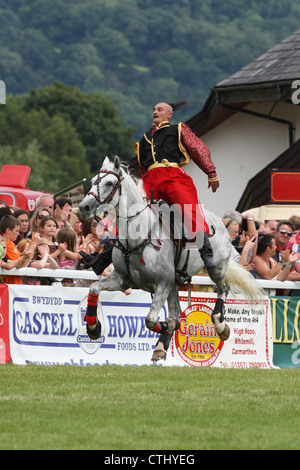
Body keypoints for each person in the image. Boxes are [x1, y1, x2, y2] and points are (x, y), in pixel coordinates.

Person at [134, 101, 220, 273]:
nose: (155, 111)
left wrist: (210, 171)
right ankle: (107, 255)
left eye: (159, 109)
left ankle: (206, 253)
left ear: (169, 114)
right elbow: (143, 166)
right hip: (150, 179)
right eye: (154, 109)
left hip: (172, 175)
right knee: (134, 211)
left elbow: (197, 148)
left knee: (189, 209)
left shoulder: (178, 129)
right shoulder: (144, 138)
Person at [0, 215, 29, 284]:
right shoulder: (6, 244)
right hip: (9, 284)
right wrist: (23, 258)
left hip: (16, 284)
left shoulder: (12, 244)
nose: (18, 234)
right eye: (16, 231)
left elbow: (19, 264)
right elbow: (13, 265)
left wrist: (23, 257)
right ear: (8, 230)